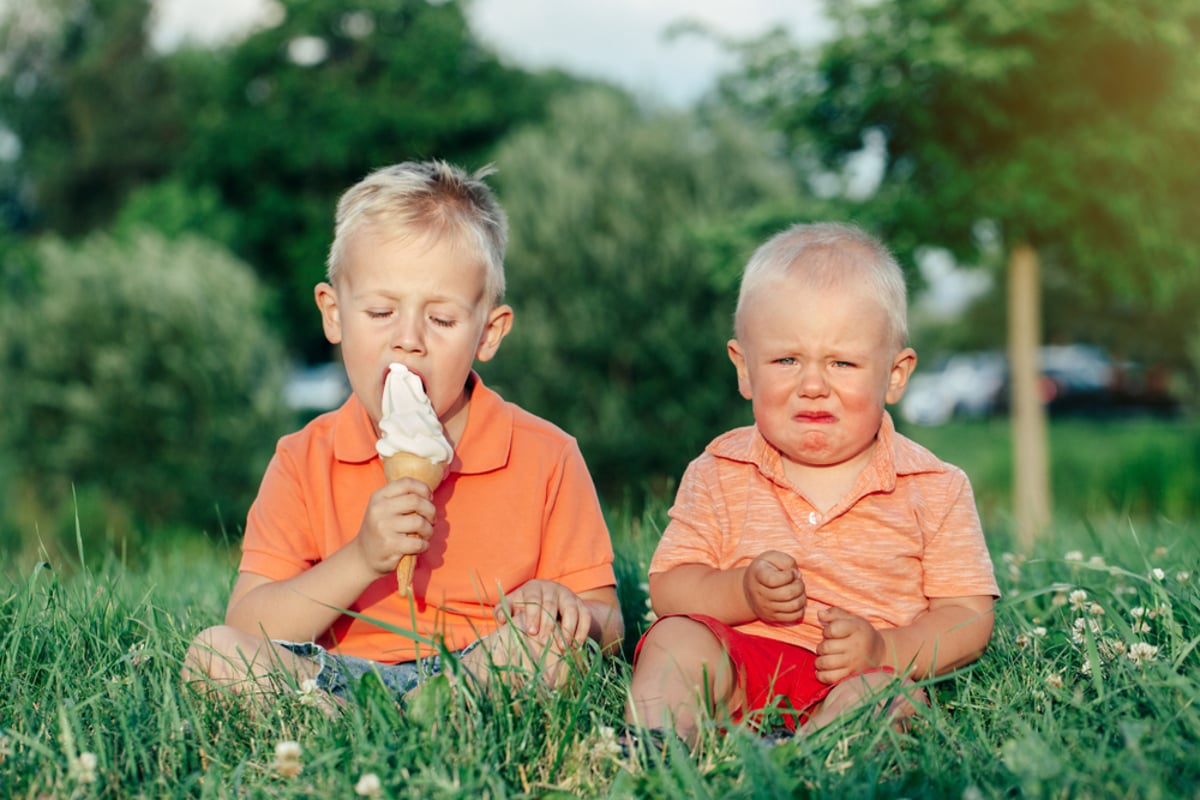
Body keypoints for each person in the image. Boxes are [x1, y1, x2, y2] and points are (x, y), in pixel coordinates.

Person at [184, 160, 623, 704]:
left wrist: (563, 606)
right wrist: (361, 557)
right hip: (334, 671)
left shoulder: (546, 455)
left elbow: (608, 623)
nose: (408, 339)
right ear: (334, 315)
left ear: (488, 333)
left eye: (440, 320)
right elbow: (250, 620)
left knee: (555, 650)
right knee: (214, 653)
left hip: (481, 666)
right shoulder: (303, 458)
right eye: (380, 312)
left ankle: (434, 712)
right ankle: (343, 723)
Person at [626, 221, 998, 745]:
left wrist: (884, 651)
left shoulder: (934, 487)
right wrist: (741, 592)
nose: (814, 386)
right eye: (786, 360)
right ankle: (661, 739)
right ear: (745, 369)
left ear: (895, 375)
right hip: (741, 667)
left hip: (858, 675)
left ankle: (804, 756)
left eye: (842, 362)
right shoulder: (718, 470)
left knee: (892, 699)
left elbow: (967, 618)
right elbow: (670, 588)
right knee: (677, 638)